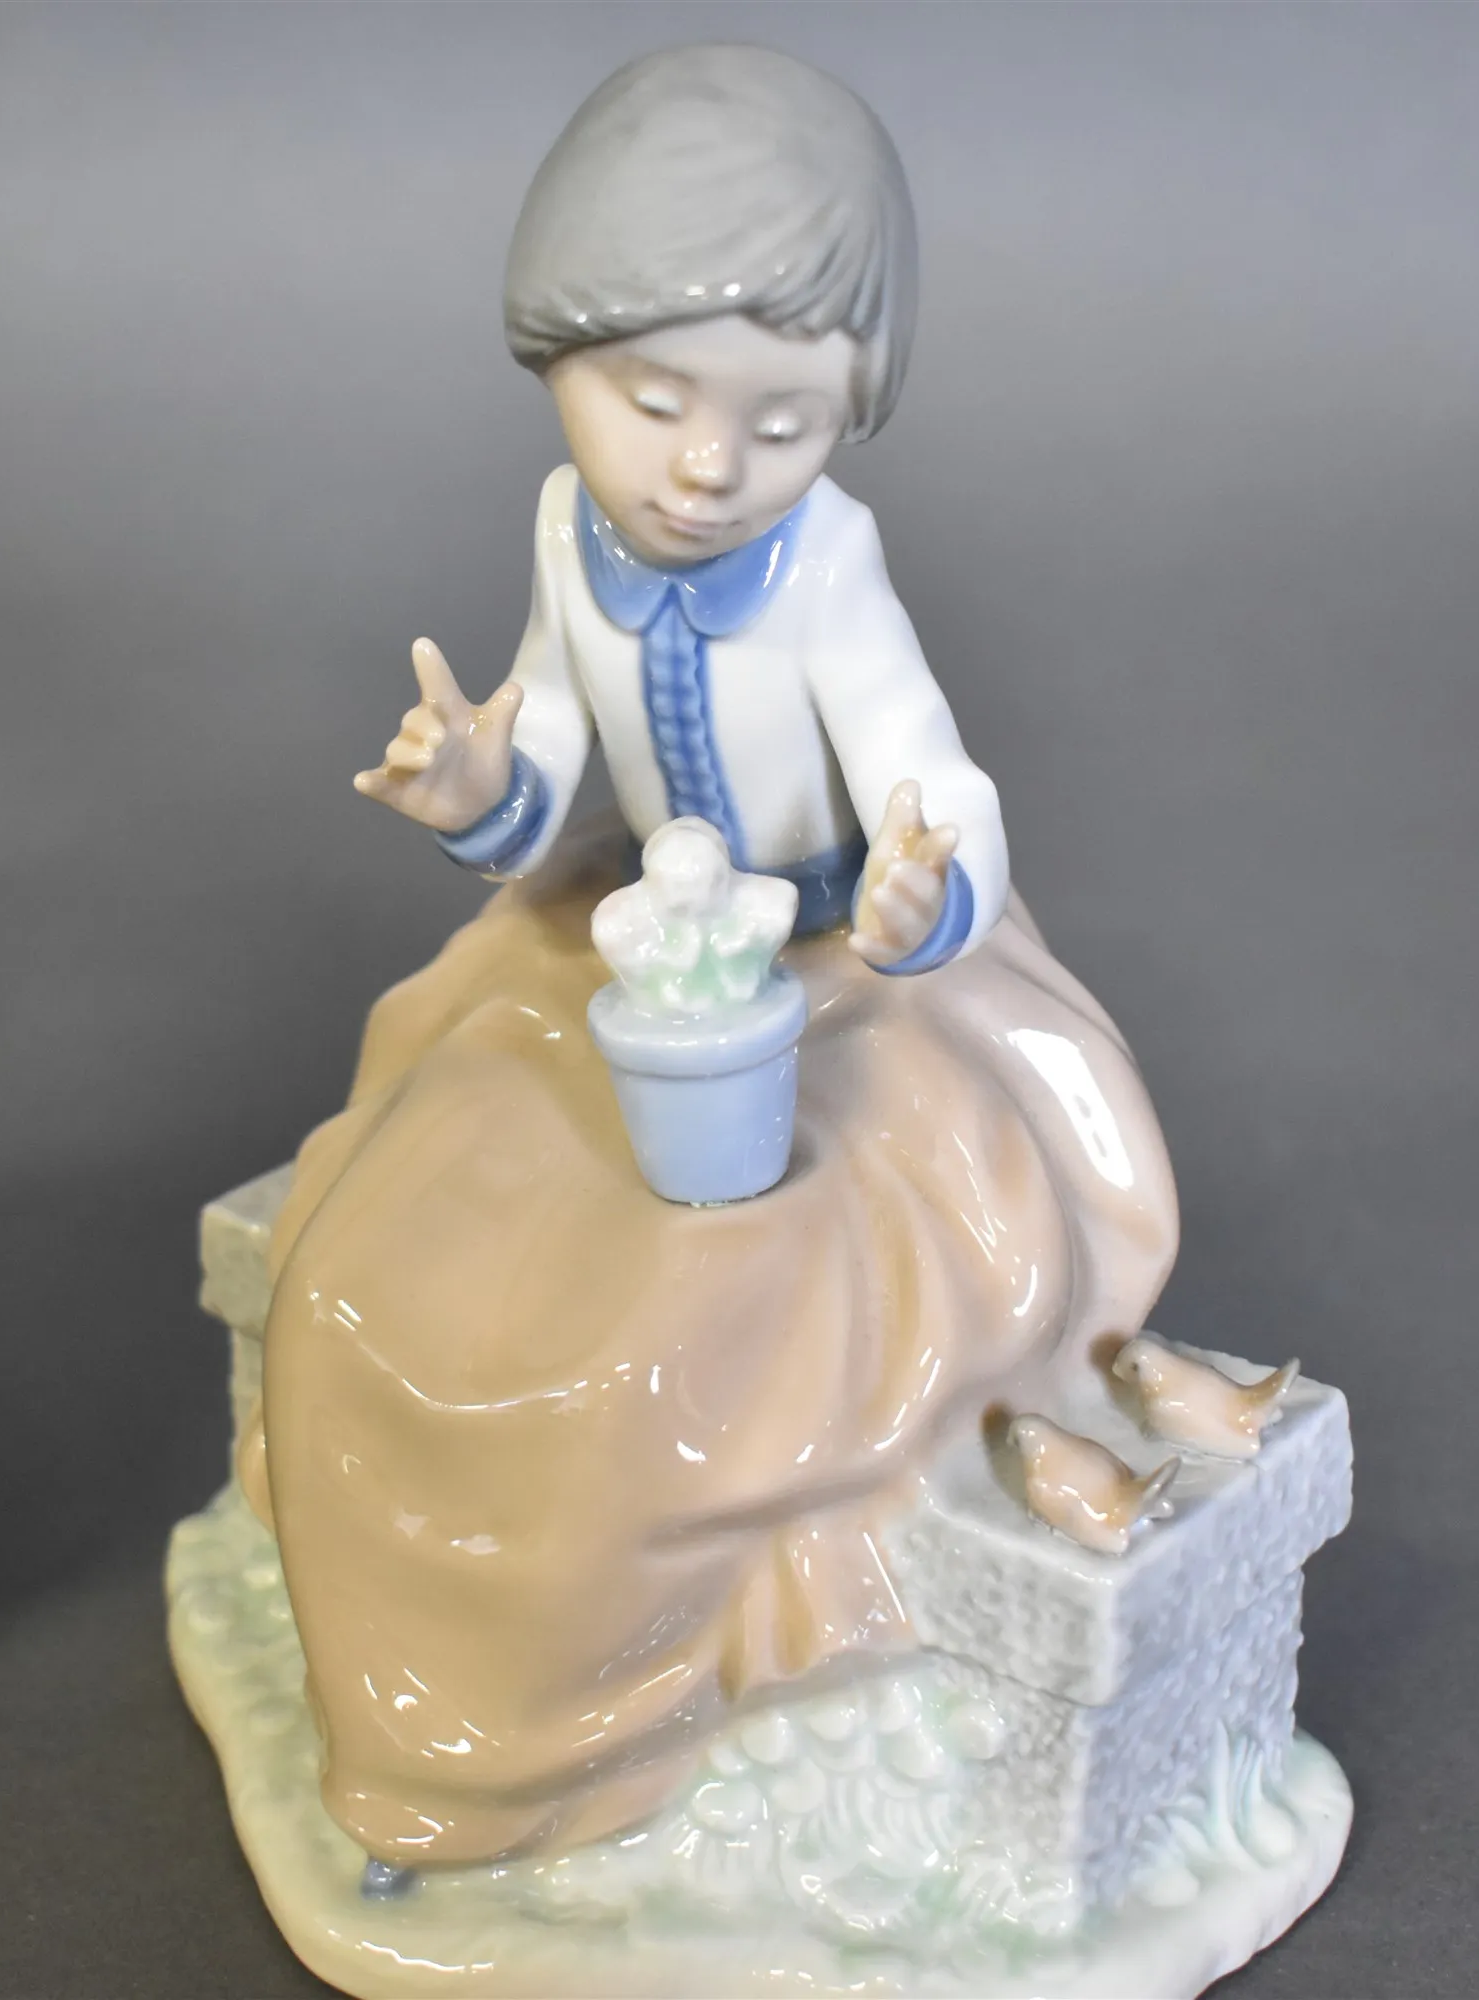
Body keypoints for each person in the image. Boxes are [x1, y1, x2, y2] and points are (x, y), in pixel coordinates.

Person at [248, 44, 1185, 1878]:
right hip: (634, 937)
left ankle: (560, 1733)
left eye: (782, 422)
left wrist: (924, 892)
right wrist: (482, 793)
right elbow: (548, 752)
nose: (704, 465)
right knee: (405, 1234)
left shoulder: (829, 568)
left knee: (709, 1308)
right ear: (557, 360)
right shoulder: (566, 531)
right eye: (654, 396)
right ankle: (425, 1723)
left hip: (836, 963)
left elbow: (930, 773)